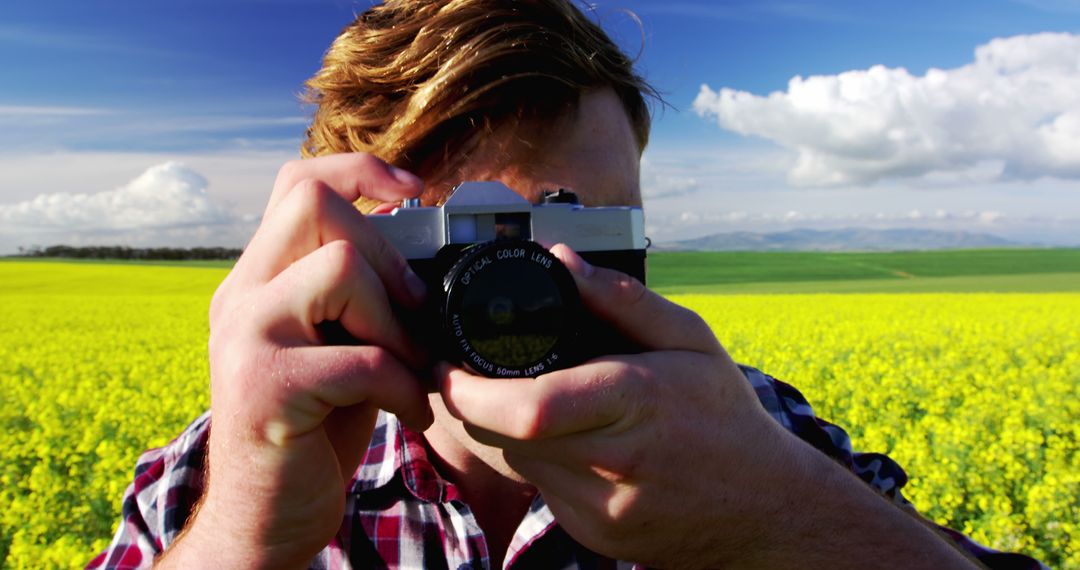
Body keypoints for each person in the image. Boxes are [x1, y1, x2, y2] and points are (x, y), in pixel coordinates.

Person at [91, 1, 1045, 568]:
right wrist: (242, 539)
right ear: (330, 252)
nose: (525, 283)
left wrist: (786, 513)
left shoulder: (752, 439)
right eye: (456, 242)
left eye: (584, 228)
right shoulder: (223, 477)